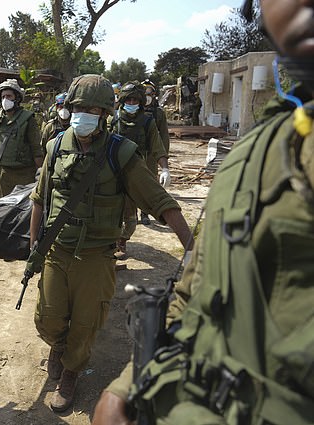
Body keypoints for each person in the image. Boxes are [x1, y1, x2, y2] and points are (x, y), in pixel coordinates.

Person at [93, 0, 314, 423]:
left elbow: (156, 141)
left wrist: (162, 166)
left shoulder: (154, 117)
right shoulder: (255, 153)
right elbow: (199, 291)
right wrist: (129, 384)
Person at [26, 74, 193, 413]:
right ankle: (58, 345)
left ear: (104, 113)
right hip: (57, 250)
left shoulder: (121, 153)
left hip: (96, 255)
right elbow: (39, 198)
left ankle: (71, 370)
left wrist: (191, 248)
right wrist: (34, 245)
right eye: (77, 107)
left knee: (86, 322)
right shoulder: (56, 147)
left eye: (91, 108)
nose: (82, 114)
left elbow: (159, 201)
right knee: (49, 317)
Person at [110, 81, 171, 260]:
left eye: (135, 100)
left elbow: (157, 146)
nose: (131, 104)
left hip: (135, 171)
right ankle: (108, 240)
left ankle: (122, 240)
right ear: (122, 101)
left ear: (141, 102)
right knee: (108, 209)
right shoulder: (112, 119)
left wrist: (165, 168)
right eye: (128, 100)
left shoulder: (147, 122)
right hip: (112, 170)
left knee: (130, 215)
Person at [0, 79, 44, 197]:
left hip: (25, 174)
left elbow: (36, 149)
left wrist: (41, 172)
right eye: (3, 97)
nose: (5, 100)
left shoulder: (27, 119)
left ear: (17, 98)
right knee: (5, 208)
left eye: (9, 96)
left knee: (24, 209)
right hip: (4, 175)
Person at [141, 79, 171, 224]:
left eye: (149, 93)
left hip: (151, 154)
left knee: (149, 183)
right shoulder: (133, 111)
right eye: (144, 93)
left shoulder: (158, 113)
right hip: (133, 152)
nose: (147, 96)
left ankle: (144, 213)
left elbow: (164, 135)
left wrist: (163, 160)